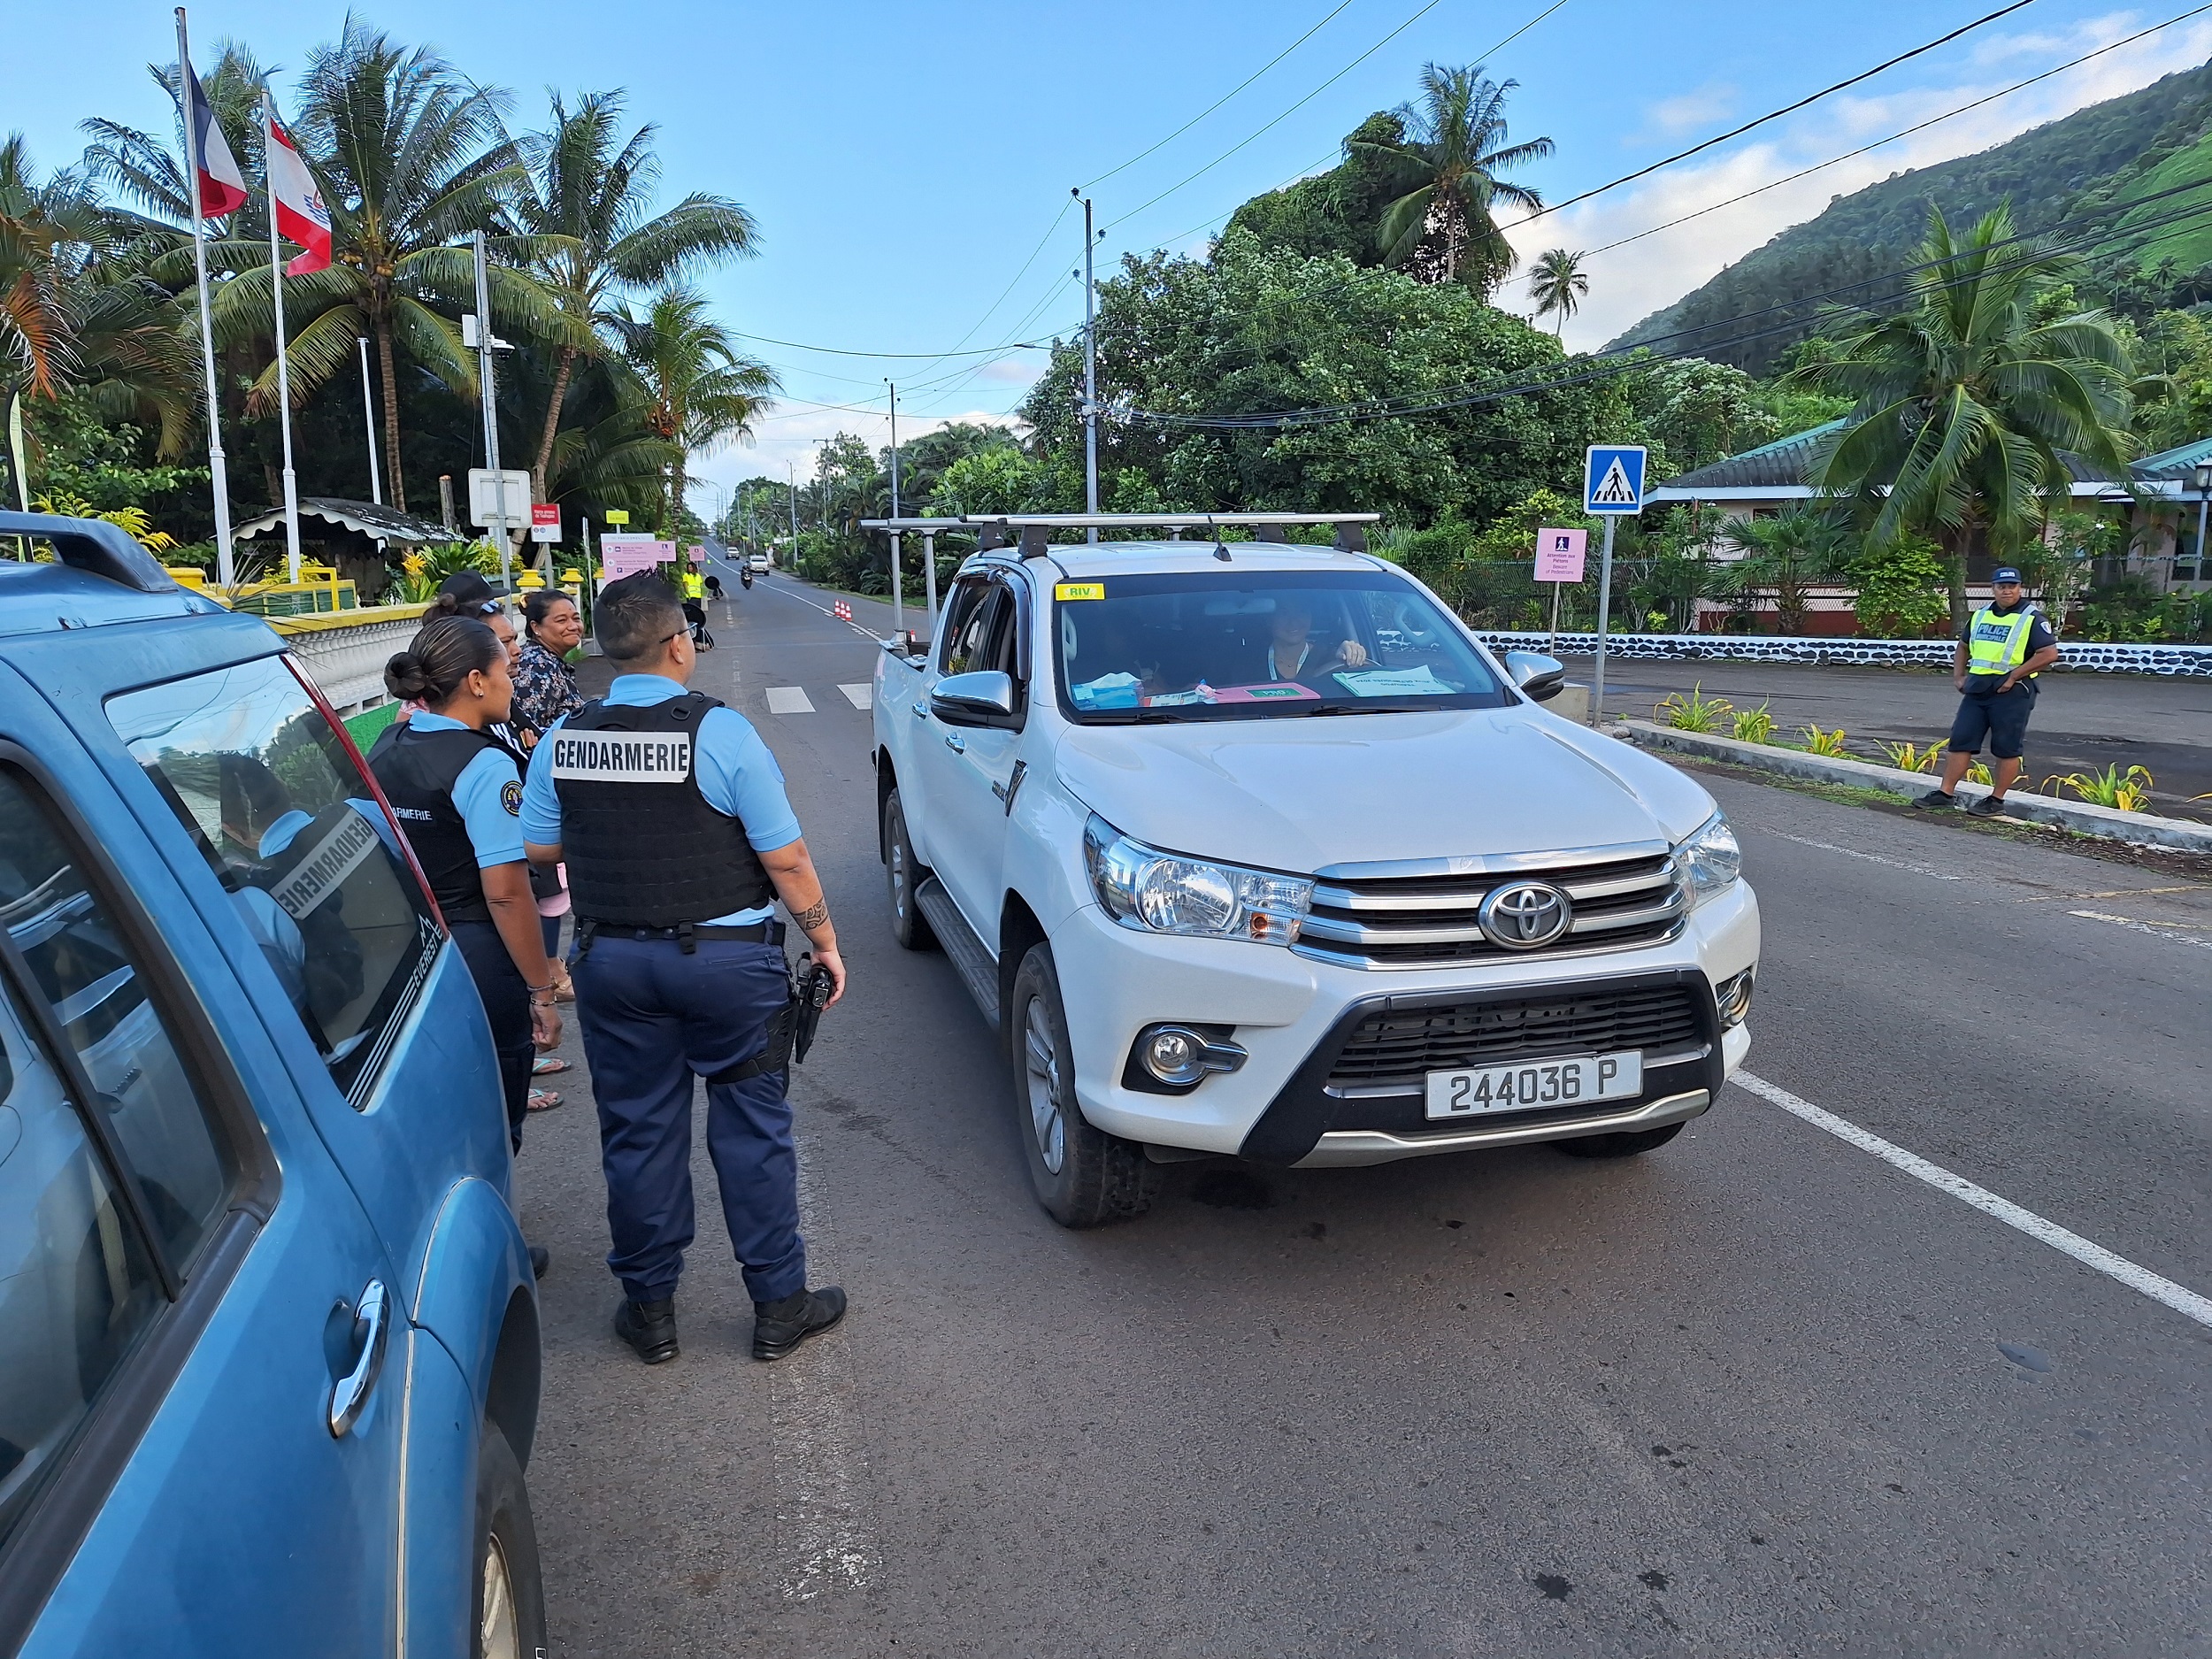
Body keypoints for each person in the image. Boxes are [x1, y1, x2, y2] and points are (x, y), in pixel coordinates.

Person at [520, 572, 847, 1366]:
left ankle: (651, 1312)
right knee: (754, 1132)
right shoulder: (721, 733)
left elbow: (540, 847)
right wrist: (826, 943)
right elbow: (787, 859)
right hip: (729, 968)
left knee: (638, 1134)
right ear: (677, 644)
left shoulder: (566, 735)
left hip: (614, 965)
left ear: (605, 648)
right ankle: (779, 1305)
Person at [370, 616, 563, 1272]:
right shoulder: (484, 762)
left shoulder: (389, 743)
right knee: (492, 1116)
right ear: (476, 681)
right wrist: (541, 989)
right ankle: (486, 1258)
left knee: (430, 1106)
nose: (513, 679)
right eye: (506, 669)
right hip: (477, 954)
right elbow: (507, 892)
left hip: (405, 949)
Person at [1916, 565, 2060, 817]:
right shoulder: (1980, 615)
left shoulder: (2032, 618)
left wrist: (2013, 676)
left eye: (2012, 586)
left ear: (2020, 588)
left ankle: (1996, 800)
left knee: (2006, 746)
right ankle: (1945, 794)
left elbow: (2048, 654)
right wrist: (1958, 676)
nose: (2007, 591)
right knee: (1960, 740)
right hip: (1977, 688)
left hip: (2013, 691)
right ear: (1993, 588)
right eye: (2001, 587)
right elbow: (1963, 646)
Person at [1256, 595, 1370, 686]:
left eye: (1301, 611)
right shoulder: (1251, 661)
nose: (1294, 621)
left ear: (1310, 616)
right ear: (1270, 620)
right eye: (1284, 613)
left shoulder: (1330, 657)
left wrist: (1352, 652)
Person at [682, 565, 713, 649]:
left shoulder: (698, 576)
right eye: (689, 567)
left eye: (691, 567)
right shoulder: (686, 575)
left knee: (698, 616)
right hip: (691, 597)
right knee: (693, 616)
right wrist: (688, 594)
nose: (690, 569)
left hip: (698, 597)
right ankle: (694, 637)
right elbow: (685, 585)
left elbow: (700, 585)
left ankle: (698, 638)